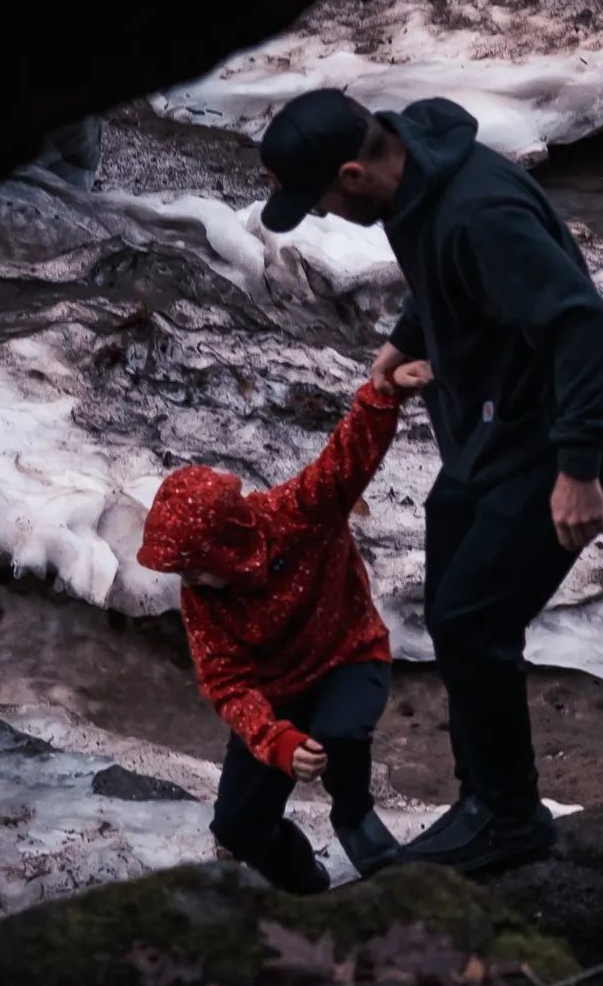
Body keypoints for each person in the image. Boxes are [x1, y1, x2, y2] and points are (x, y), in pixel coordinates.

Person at [258, 88, 603, 873]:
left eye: (325, 199)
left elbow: (582, 327)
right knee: (452, 605)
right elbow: (441, 278)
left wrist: (579, 469)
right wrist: (405, 338)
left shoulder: (478, 211)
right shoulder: (413, 183)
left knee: (474, 621)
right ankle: (481, 798)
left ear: (353, 171)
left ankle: (508, 814)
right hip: (493, 433)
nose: (326, 214)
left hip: (563, 434)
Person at [137, 362, 430, 893]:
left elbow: (346, 462)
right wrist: (274, 740)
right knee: (237, 827)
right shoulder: (200, 594)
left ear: (228, 544)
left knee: (340, 733)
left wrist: (381, 396)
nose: (188, 579)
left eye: (196, 564)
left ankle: (355, 818)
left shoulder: (297, 514)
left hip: (349, 656)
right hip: (277, 696)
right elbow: (224, 681)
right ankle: (305, 885)